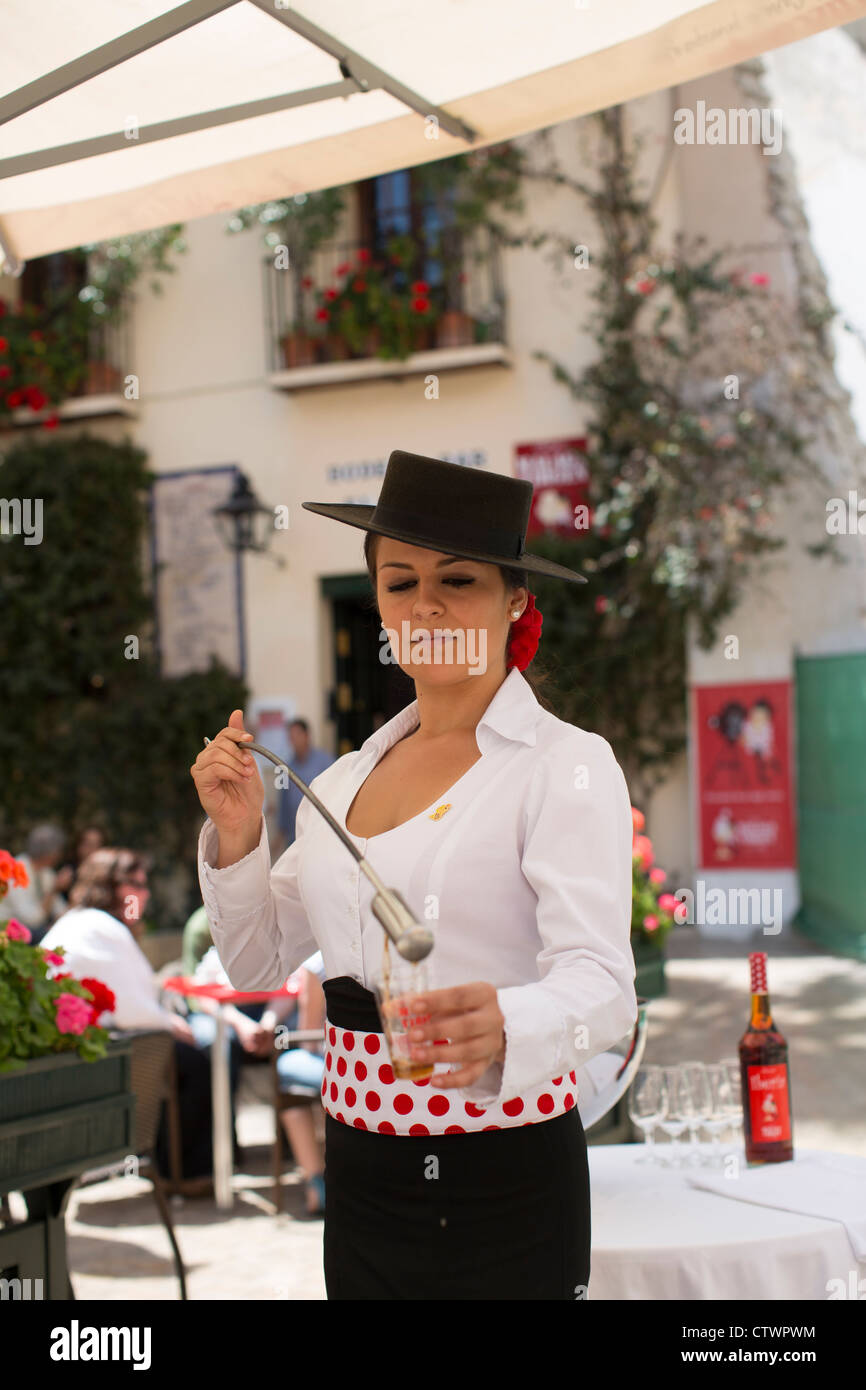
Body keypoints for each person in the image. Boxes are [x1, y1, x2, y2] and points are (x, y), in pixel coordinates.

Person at [191, 449, 637, 1299]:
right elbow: (255, 965)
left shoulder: (564, 765)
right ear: (380, 608)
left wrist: (508, 1019)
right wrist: (241, 837)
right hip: (359, 1178)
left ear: (515, 602)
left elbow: (604, 987)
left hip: (503, 1177)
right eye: (400, 583)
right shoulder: (341, 782)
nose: (425, 605)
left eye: (458, 580)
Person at [40, 849, 215, 1193]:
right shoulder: (102, 927)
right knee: (195, 1062)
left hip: (72, 1052)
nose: (144, 894)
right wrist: (170, 1023)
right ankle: (182, 1172)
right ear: (109, 887)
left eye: (144, 885)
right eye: (135, 884)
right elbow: (132, 1008)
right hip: (91, 1056)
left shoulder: (85, 920)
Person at [3, 824, 71, 944]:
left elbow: (61, 911)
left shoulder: (47, 873)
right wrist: (54, 890)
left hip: (33, 932)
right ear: (52, 853)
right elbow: (31, 919)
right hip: (9, 935)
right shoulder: (15, 870)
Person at [275, 720, 334, 854]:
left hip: (321, 836)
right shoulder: (282, 768)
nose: (294, 741)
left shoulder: (326, 762)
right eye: (291, 737)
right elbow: (282, 803)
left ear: (307, 736)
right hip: (294, 838)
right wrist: (280, 835)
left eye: (297, 735)